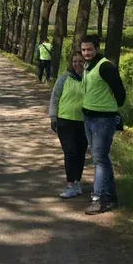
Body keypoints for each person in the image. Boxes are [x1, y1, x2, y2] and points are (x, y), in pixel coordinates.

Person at [80, 34, 126, 215]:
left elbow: (120, 92)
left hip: (103, 120)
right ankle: (110, 196)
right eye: (83, 50)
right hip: (89, 117)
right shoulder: (88, 66)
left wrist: (111, 108)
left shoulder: (105, 66)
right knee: (101, 158)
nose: (86, 53)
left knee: (99, 159)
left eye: (89, 49)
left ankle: (98, 199)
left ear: (97, 49)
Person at [49, 52, 87, 199]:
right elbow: (55, 97)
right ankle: (70, 185)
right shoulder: (64, 78)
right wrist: (53, 117)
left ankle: (77, 183)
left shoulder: (89, 79)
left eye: (80, 61)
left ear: (85, 63)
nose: (77, 64)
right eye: (75, 61)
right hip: (65, 121)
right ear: (71, 63)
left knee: (80, 153)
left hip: (84, 122)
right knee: (70, 152)